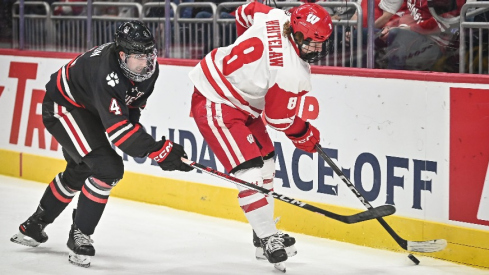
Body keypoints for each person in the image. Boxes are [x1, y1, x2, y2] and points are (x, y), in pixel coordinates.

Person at [10, 20, 192, 268]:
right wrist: (158, 150)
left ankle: (34, 226)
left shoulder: (148, 70)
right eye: (139, 56)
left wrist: (157, 150)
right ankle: (80, 234)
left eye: (149, 54)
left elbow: (130, 111)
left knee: (84, 167)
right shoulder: (107, 73)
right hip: (64, 108)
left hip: (89, 106)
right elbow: (120, 133)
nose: (146, 62)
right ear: (121, 55)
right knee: (108, 168)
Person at [188, 2, 332, 269]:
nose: (319, 49)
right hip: (215, 101)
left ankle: (260, 234)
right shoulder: (291, 71)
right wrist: (304, 133)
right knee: (250, 173)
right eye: (313, 42)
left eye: (322, 42)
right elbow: (279, 119)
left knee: (266, 161)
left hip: (242, 102)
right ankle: (268, 238)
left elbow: (245, 9)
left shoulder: (276, 16)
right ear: (298, 35)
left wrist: (244, 40)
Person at [375, 0, 464, 71]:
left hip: (434, 44)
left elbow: (441, 23)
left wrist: (406, 29)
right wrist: (392, 26)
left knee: (396, 35)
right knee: (370, 35)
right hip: (413, 36)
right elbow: (410, 13)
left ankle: (393, 79)